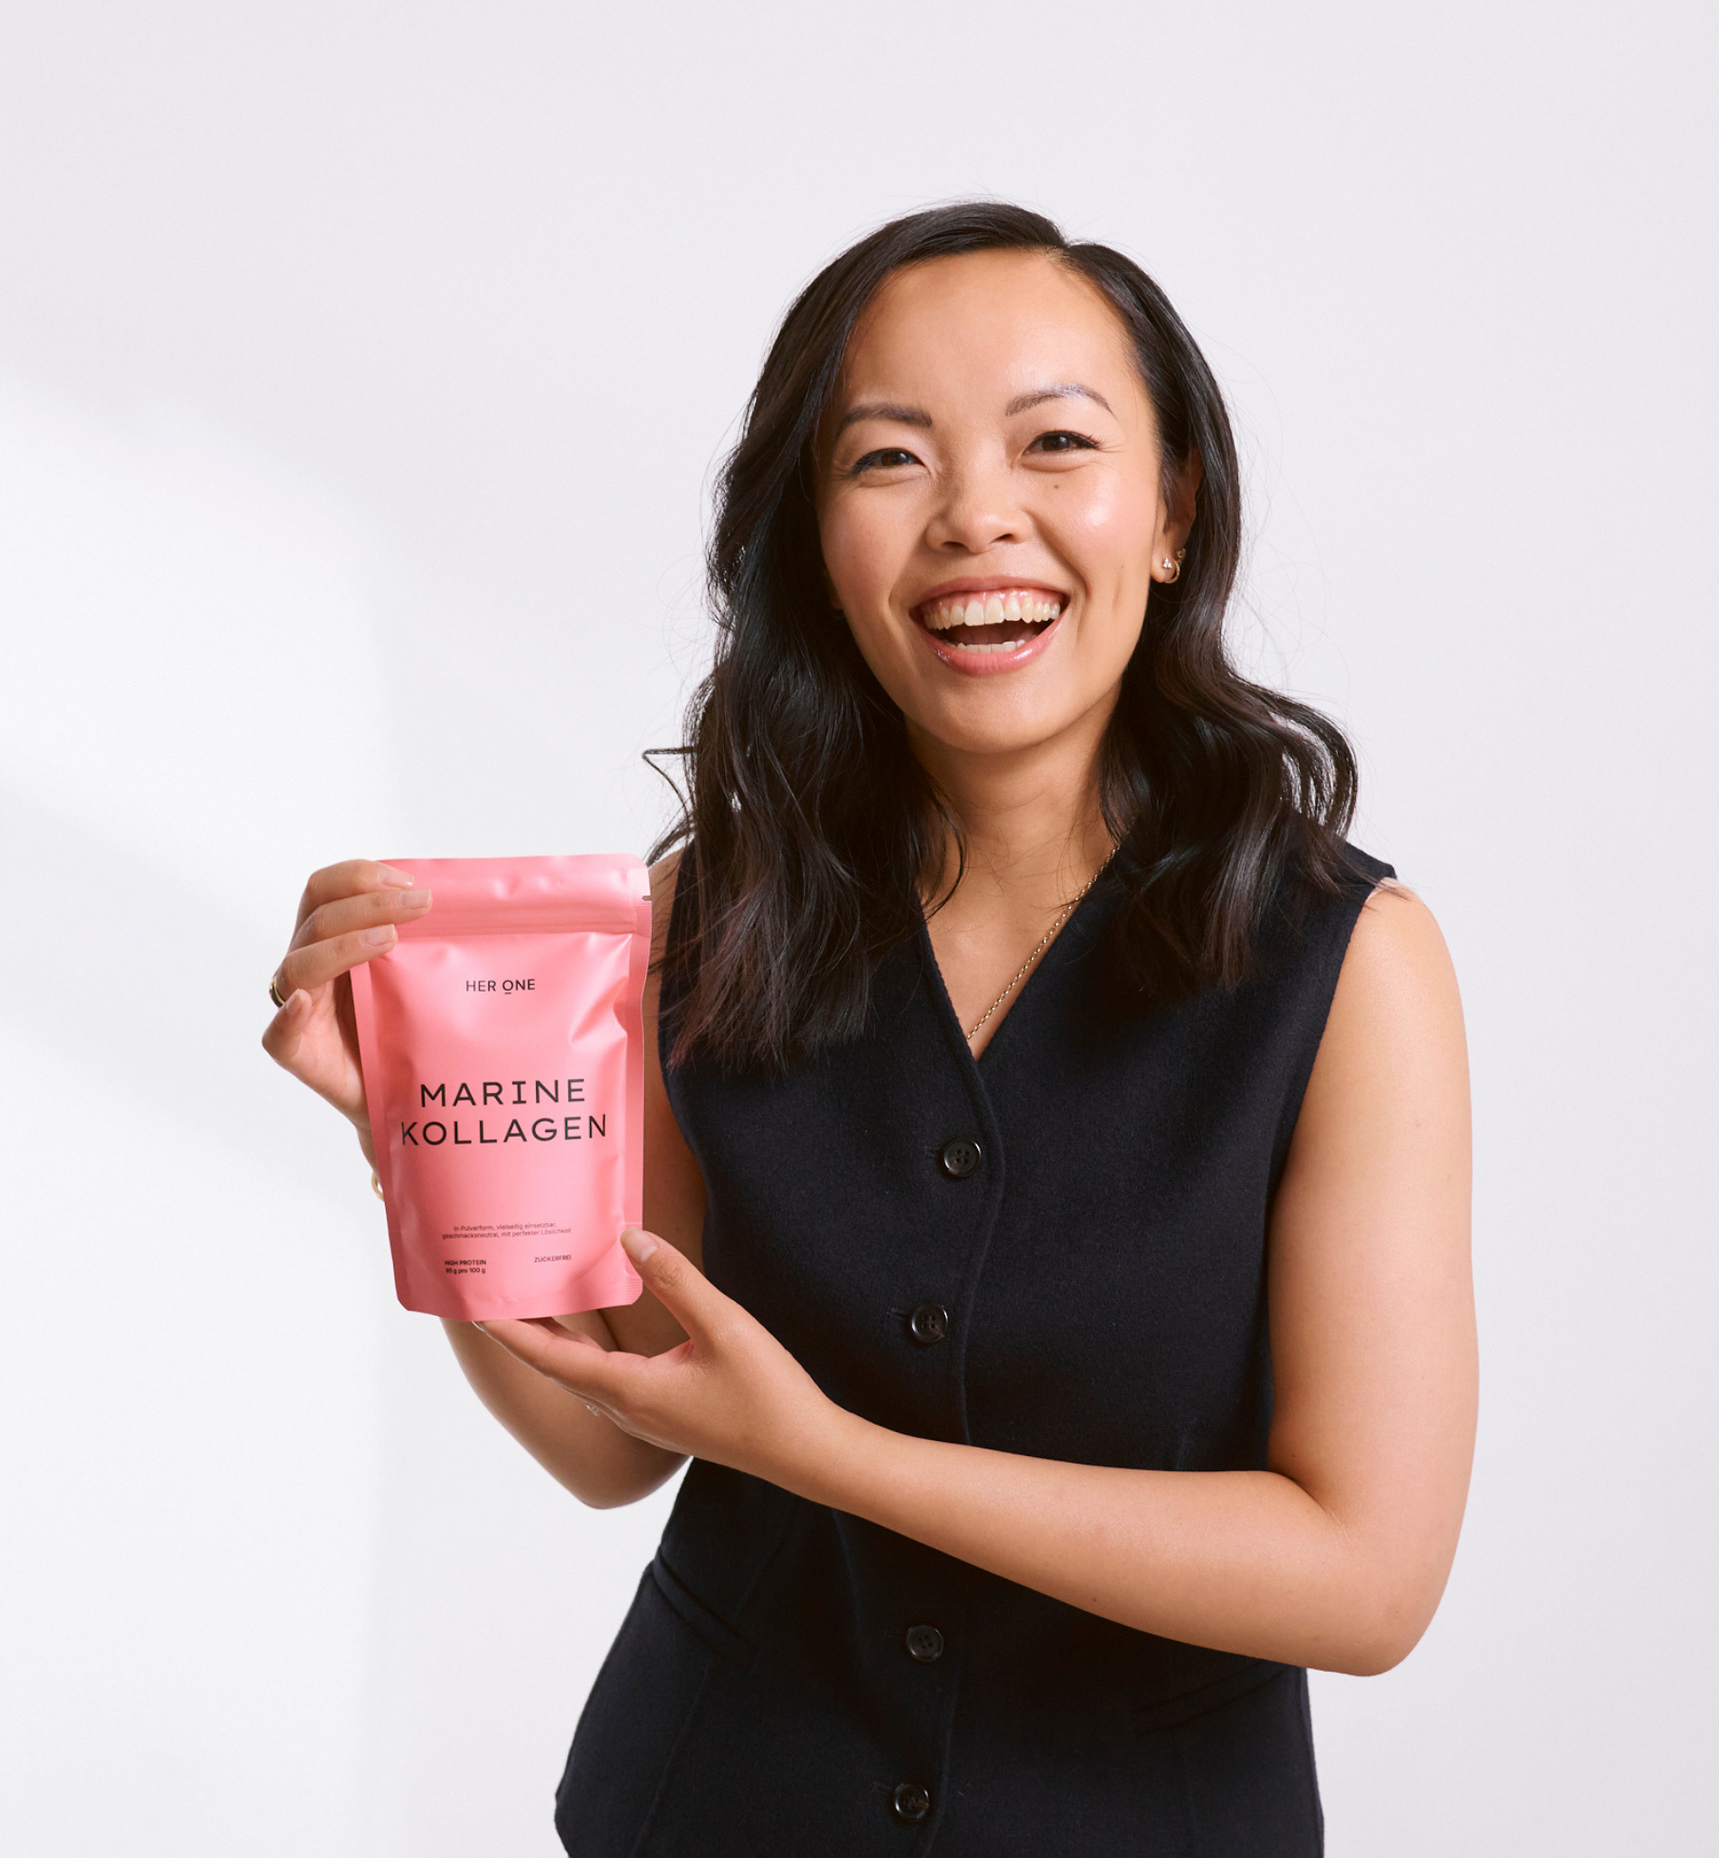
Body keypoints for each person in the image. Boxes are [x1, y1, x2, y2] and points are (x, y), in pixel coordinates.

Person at [263, 202, 1475, 1855]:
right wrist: (419, 1133)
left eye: (1055, 441)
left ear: (1172, 509)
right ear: (812, 542)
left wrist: (830, 1457)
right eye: (887, 460)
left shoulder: (1349, 963)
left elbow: (1364, 1574)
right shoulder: (711, 916)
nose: (978, 518)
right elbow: (615, 1439)